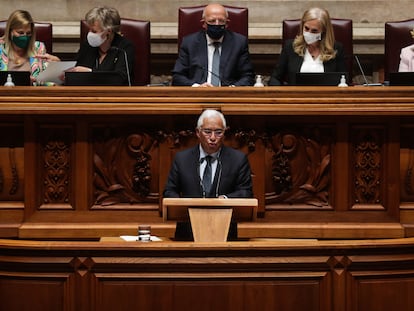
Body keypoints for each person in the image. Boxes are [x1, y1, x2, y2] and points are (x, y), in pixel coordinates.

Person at [163, 109, 253, 240]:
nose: (212, 138)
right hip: (188, 232)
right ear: (198, 133)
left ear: (224, 134)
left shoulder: (238, 159)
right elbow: (169, 192)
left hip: (226, 231)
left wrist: (225, 199)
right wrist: (184, 204)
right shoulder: (182, 159)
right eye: (207, 132)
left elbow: (246, 192)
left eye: (218, 132)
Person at [172, 3, 255, 87]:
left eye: (221, 21)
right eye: (212, 21)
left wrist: (232, 88)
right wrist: (197, 87)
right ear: (204, 23)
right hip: (198, 95)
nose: (217, 24)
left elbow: (248, 76)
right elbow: (178, 76)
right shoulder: (189, 43)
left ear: (227, 24)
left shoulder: (239, 43)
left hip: (228, 96)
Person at [268, 7, 346, 86]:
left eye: (314, 31)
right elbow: (275, 78)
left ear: (323, 32)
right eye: (306, 28)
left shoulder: (336, 49)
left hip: (326, 97)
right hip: (296, 96)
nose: (309, 33)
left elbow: (343, 81)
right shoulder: (291, 47)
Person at [68, 6, 134, 86]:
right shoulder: (87, 45)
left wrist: (90, 72)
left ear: (108, 31)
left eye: (94, 31)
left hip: (114, 95)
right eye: (89, 30)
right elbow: (74, 70)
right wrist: (58, 63)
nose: (90, 34)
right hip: (86, 94)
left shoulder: (123, 48)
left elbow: (120, 78)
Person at [0, 10, 60, 84]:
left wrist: (56, 67)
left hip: (32, 93)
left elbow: (48, 82)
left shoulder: (38, 48)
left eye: (28, 33)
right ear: (10, 32)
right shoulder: (1, 48)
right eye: (20, 33)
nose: (25, 36)